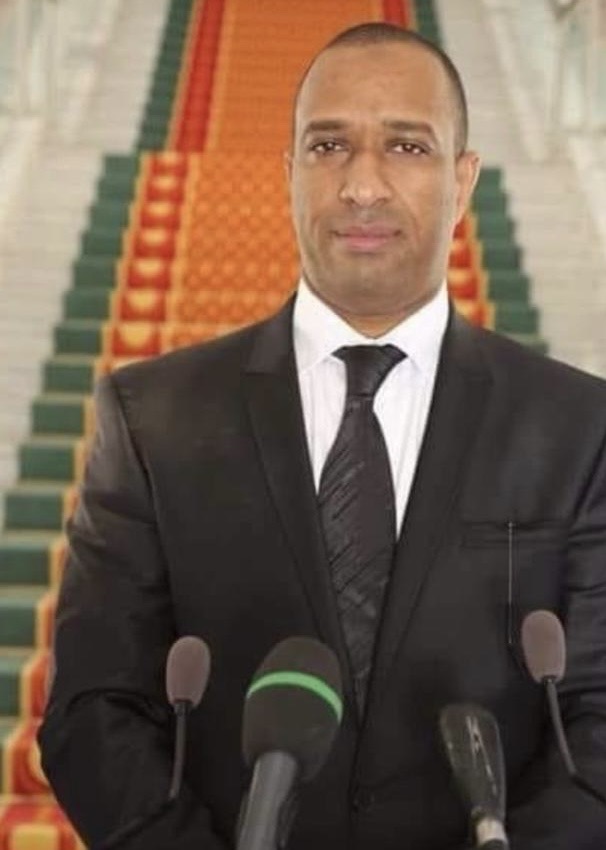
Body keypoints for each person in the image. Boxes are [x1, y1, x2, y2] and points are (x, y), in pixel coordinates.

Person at [38, 21, 606, 850]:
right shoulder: (151, 418)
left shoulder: (579, 428)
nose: (363, 185)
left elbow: (597, 715)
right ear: (290, 174)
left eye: (407, 147)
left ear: (463, 179)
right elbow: (94, 710)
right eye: (329, 146)